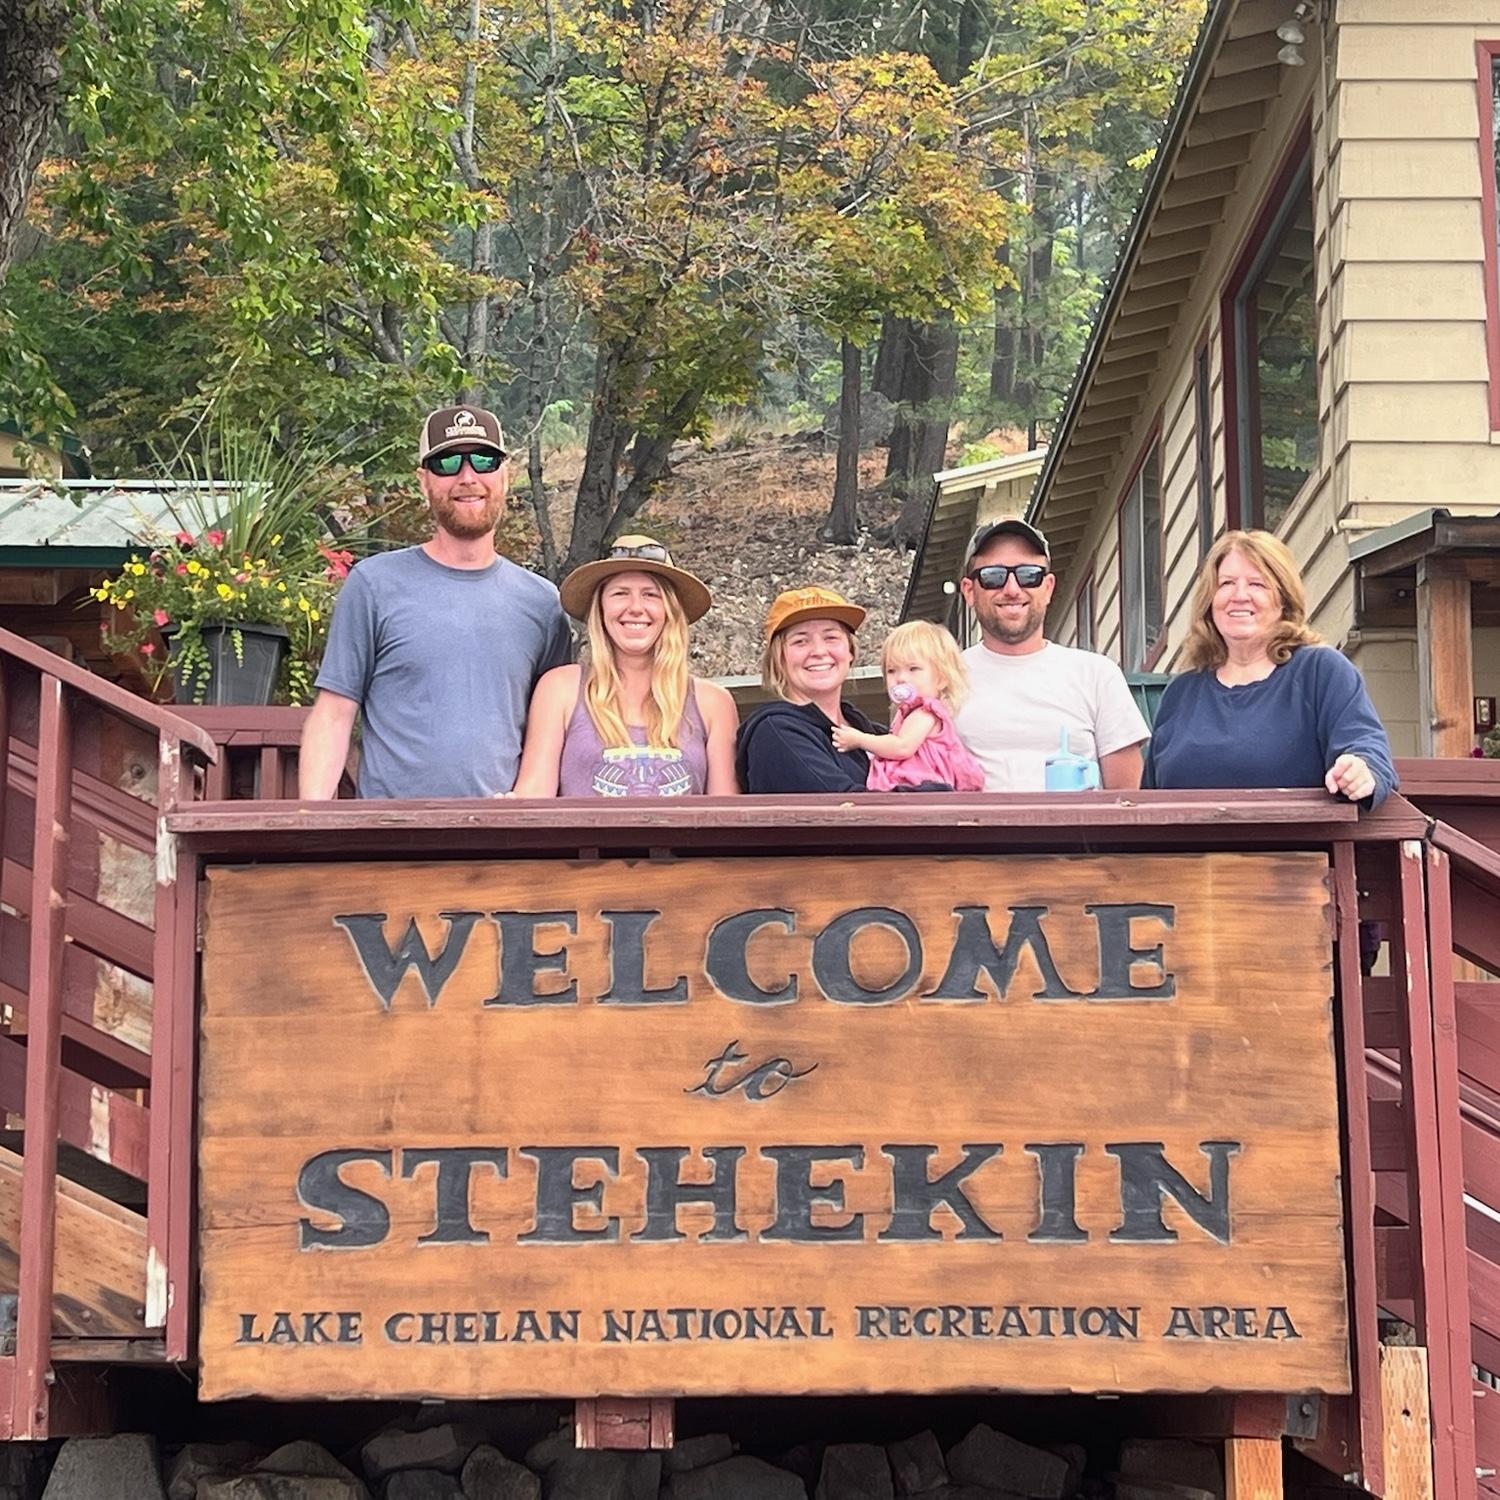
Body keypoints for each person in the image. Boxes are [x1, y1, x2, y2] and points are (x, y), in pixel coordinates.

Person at [299, 404, 571, 798]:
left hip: (502, 841)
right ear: (423, 480)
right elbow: (334, 715)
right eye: (446, 463)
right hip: (390, 842)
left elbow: (553, 734)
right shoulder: (373, 585)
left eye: (483, 460)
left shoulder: (544, 604)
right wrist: (312, 829)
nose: (467, 477)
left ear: (505, 476)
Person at [1144, 529, 1396, 807]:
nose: (1240, 595)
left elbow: (1366, 746)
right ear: (1209, 600)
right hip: (1184, 850)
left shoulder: (1321, 671)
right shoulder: (1180, 693)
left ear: (1283, 602)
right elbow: (1149, 799)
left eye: (1257, 584)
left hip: (1300, 849)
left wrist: (1359, 769)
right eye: (1226, 583)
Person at [513, 536, 738, 797]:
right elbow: (534, 794)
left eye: (650, 595)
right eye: (620, 594)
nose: (635, 608)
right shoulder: (560, 688)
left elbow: (724, 812)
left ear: (670, 610)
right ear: (600, 608)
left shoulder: (713, 703)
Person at [955, 517, 1149, 791]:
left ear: (1048, 587)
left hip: (1079, 835)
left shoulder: (1097, 675)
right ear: (969, 590)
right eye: (993, 576)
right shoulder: (942, 677)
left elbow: (1128, 803)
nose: (1012, 589)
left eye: (1029, 575)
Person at [735, 586, 882, 794]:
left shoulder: (873, 733)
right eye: (800, 641)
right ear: (779, 660)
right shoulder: (776, 733)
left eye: (831, 637)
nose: (819, 651)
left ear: (850, 652)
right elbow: (849, 809)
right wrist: (941, 793)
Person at [831, 619, 984, 792]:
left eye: (913, 669)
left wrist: (859, 739)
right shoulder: (907, 713)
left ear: (941, 679)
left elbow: (901, 746)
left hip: (921, 789)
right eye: (891, 670)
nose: (901, 678)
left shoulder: (925, 712)